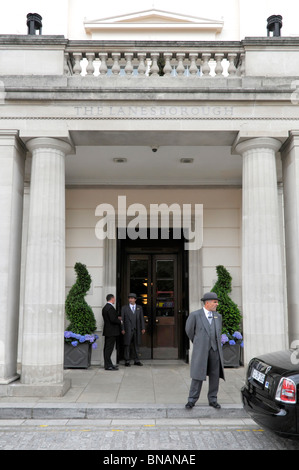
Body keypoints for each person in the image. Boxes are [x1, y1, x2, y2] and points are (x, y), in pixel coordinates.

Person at [185, 292, 225, 409]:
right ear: (207, 303)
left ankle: (213, 399)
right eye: (215, 302)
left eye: (216, 302)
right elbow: (189, 331)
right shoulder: (195, 315)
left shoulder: (218, 316)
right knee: (197, 375)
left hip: (215, 351)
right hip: (201, 350)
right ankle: (192, 400)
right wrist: (198, 343)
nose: (217, 304)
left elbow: (218, 332)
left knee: (214, 375)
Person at [121, 293, 145, 366]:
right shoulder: (124, 308)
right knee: (127, 345)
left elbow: (141, 319)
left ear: (135, 299)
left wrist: (143, 328)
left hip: (137, 329)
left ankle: (137, 360)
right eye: (129, 298)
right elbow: (122, 319)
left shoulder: (139, 308)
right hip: (128, 329)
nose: (130, 299)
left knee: (136, 345)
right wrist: (122, 329)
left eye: (132, 298)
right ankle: (127, 361)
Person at [102, 294, 122, 371]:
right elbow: (113, 319)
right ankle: (108, 365)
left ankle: (109, 364)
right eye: (114, 299)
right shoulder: (110, 308)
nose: (115, 300)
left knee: (108, 348)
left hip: (108, 331)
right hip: (111, 331)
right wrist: (120, 321)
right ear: (112, 299)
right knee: (109, 349)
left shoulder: (105, 307)